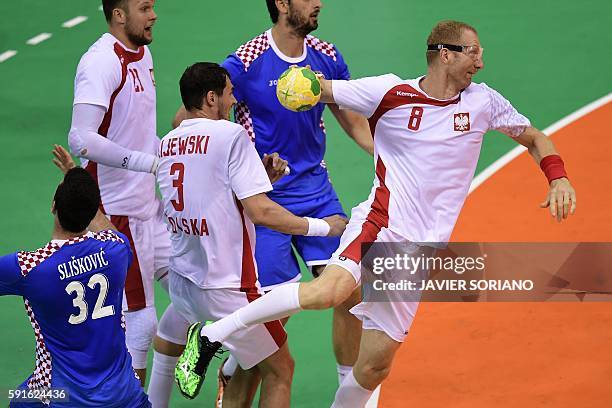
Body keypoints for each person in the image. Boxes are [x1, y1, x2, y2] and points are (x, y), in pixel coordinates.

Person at [176, 20, 577, 407]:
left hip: (418, 251)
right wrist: (301, 85)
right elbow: (325, 88)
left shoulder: (483, 102)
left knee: (374, 368)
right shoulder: (389, 92)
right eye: (472, 52)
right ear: (444, 55)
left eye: (480, 53)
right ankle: (213, 334)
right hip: (381, 223)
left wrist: (556, 177)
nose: (480, 62)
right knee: (328, 292)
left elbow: (534, 137)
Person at [171, 1, 374, 402]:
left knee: (350, 293)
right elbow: (186, 119)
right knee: (270, 317)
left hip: (316, 192)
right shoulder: (246, 62)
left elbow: (349, 116)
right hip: (265, 203)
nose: (317, 3)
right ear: (282, 4)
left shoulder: (327, 56)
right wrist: (243, 160)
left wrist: (383, 156)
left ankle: (350, 392)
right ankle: (231, 368)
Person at [162, 62, 346, 406]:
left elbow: (212, 199)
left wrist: (262, 180)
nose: (234, 101)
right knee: (281, 370)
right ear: (211, 97)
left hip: (184, 285)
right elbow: (260, 212)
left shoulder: (168, 144)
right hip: (225, 288)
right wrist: (323, 226)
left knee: (257, 365)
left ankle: (214, 351)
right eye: (230, 93)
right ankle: (208, 339)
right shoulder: (231, 135)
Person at [69, 0, 190, 387]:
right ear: (119, 15)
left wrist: (164, 153)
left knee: (194, 290)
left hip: (148, 206)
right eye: (144, 7)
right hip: (115, 209)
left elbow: (135, 130)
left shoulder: (142, 53)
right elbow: (81, 139)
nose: (153, 15)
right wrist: (146, 163)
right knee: (140, 322)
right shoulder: (100, 62)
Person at [0, 160, 150, 407]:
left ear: (53, 207)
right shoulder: (117, 250)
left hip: (63, 397)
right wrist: (80, 185)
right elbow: (106, 228)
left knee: (17, 399)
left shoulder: (31, 268)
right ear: (91, 212)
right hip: (124, 395)